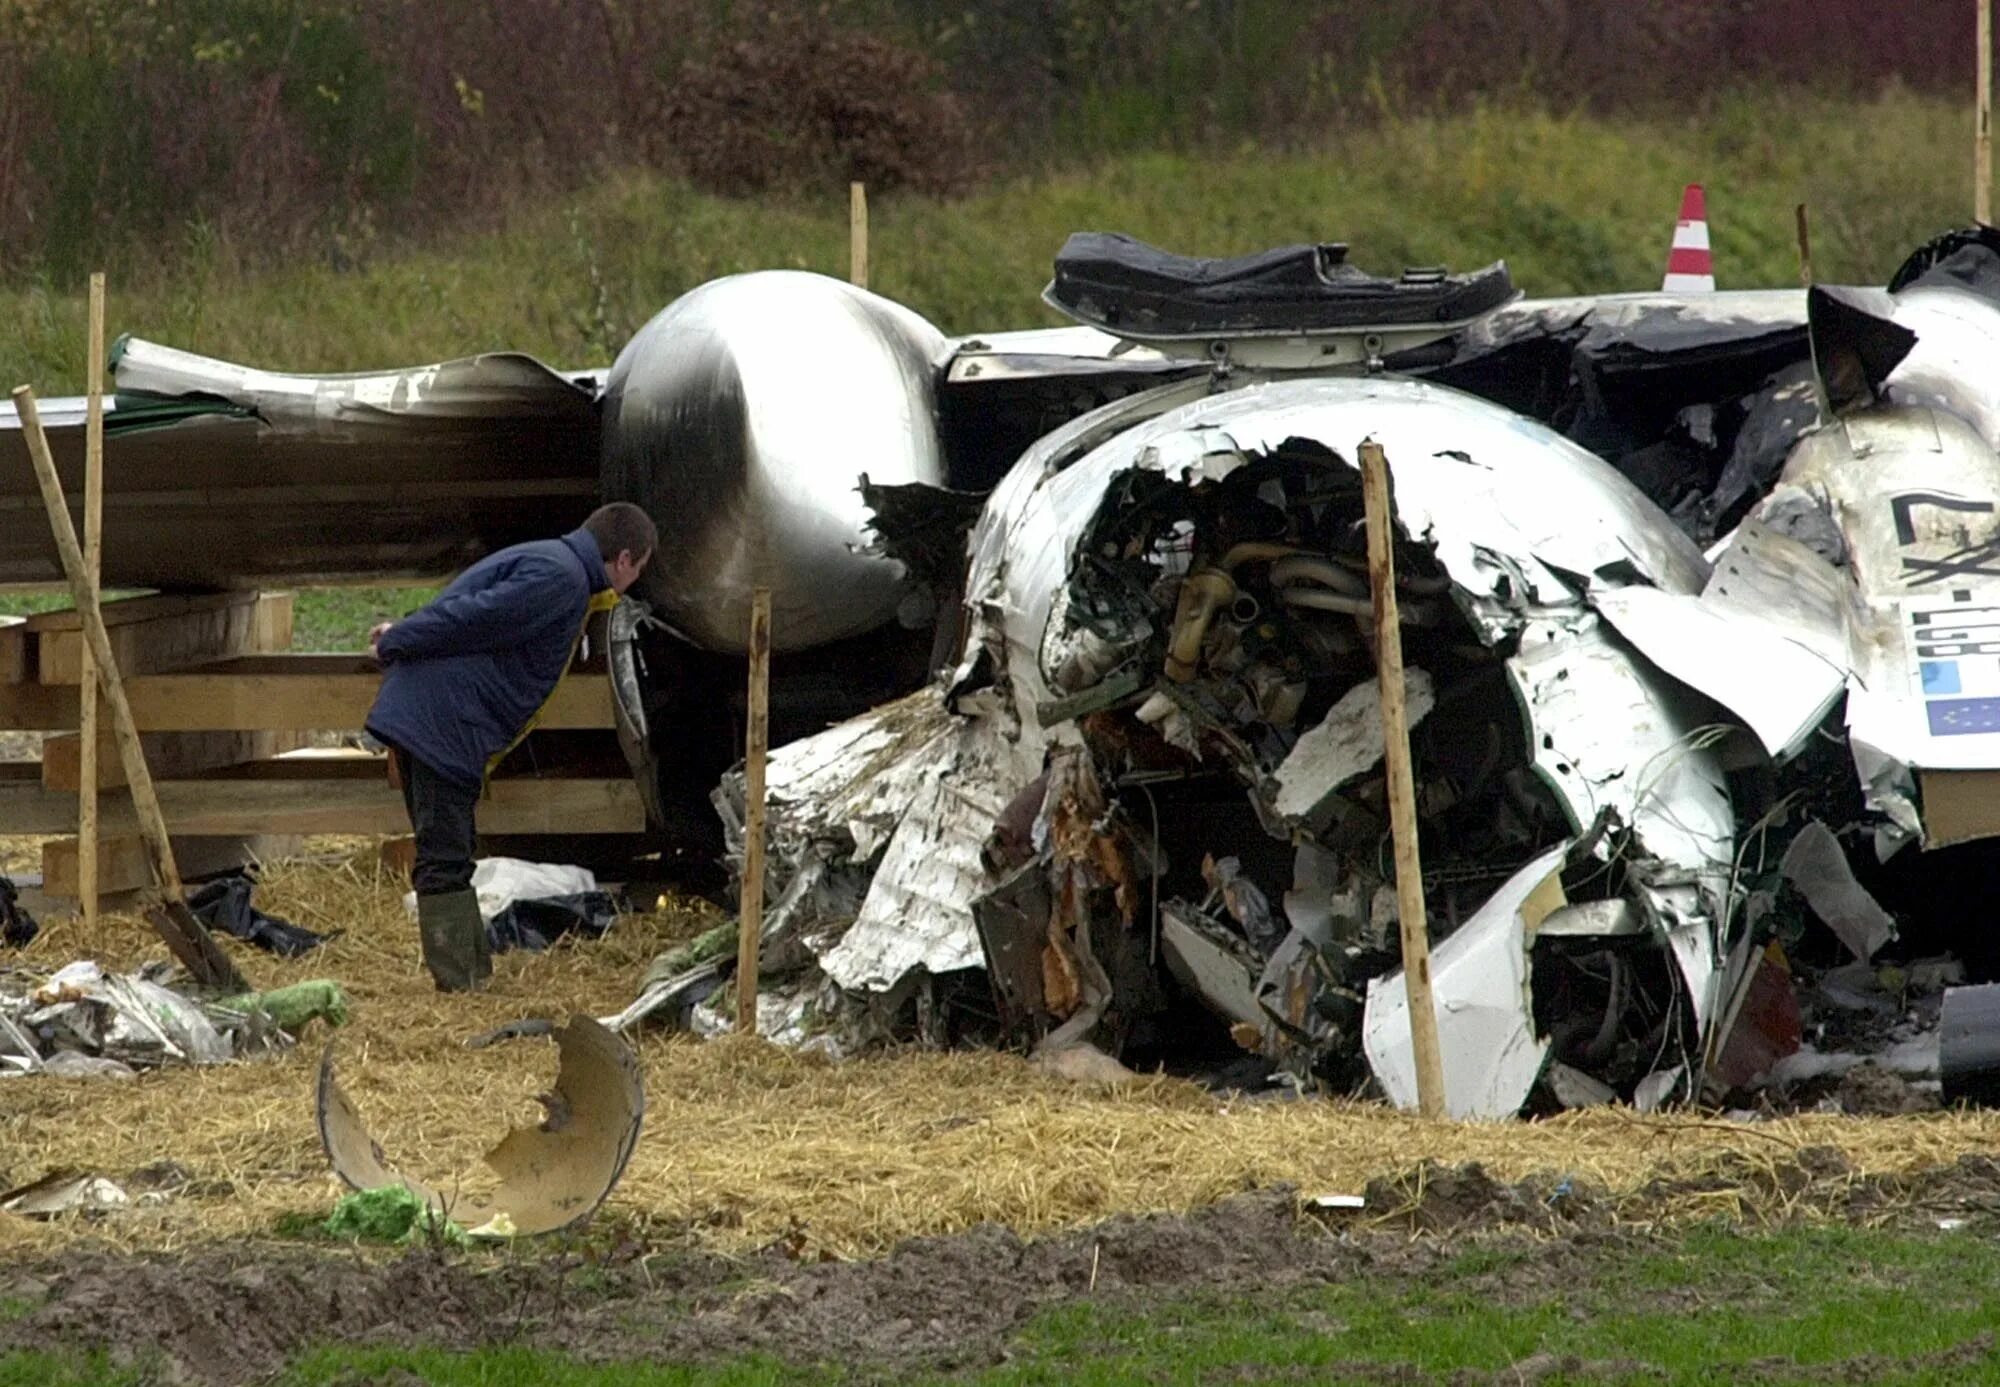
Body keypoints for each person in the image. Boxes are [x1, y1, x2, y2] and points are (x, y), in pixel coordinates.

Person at [364, 502, 657, 991]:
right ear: (624, 558)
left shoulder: (555, 565)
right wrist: (401, 639)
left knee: (450, 852)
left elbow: (471, 611)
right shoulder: (559, 578)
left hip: (442, 719)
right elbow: (475, 618)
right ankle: (460, 984)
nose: (635, 581)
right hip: (443, 723)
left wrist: (407, 631)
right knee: (444, 857)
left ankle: (470, 976)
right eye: (640, 569)